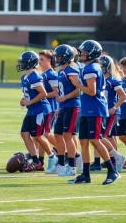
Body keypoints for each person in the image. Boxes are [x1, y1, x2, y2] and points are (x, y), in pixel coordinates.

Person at [69, 40, 120, 185]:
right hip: (88, 108)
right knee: (84, 141)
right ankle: (85, 175)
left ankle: (112, 170)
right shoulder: (89, 67)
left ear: (92, 54)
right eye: (82, 52)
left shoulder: (91, 68)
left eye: (85, 53)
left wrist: (78, 84)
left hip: (95, 108)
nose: (82, 54)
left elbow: (92, 91)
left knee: (95, 140)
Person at [17, 51, 58, 172]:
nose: (22, 64)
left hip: (41, 110)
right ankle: (36, 162)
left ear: (30, 63)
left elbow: (43, 93)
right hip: (32, 110)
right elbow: (30, 93)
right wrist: (24, 100)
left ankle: (52, 156)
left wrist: (30, 102)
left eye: (23, 62)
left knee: (38, 136)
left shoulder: (35, 76)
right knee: (24, 133)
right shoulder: (24, 77)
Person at [46, 45, 81, 176]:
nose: (57, 59)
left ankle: (72, 166)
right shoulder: (61, 70)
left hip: (72, 106)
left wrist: (65, 97)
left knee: (68, 135)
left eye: (59, 57)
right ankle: (61, 164)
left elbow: (79, 89)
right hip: (64, 106)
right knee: (57, 134)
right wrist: (59, 106)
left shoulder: (72, 71)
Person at [90, 55, 126, 172]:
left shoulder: (113, 80)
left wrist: (114, 108)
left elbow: (123, 96)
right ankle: (100, 160)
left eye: (103, 66)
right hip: (101, 111)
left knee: (104, 136)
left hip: (111, 112)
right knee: (104, 136)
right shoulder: (98, 80)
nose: (101, 68)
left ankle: (114, 160)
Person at [38, 50, 58, 170]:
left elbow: (56, 92)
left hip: (50, 108)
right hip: (41, 108)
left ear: (49, 60)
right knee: (39, 135)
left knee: (45, 134)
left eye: (42, 60)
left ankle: (67, 152)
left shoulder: (51, 74)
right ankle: (40, 161)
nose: (39, 62)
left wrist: (42, 95)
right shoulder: (41, 74)